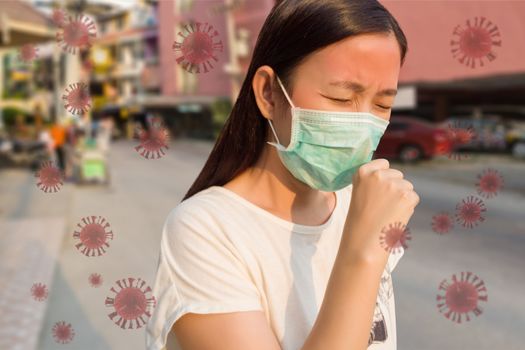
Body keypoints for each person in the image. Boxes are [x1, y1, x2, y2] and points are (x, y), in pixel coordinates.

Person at [145, 1, 419, 350]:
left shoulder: (358, 204)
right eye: (340, 97)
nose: (363, 123)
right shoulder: (206, 231)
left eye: (382, 104)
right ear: (269, 94)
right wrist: (362, 253)